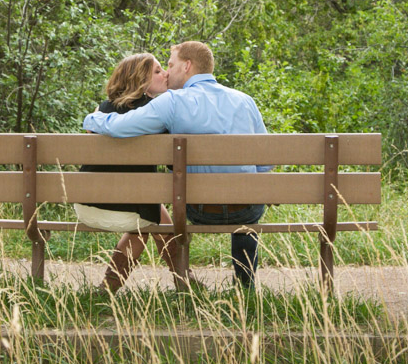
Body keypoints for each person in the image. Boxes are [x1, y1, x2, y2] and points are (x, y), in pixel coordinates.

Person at [84, 41, 271, 288]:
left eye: (170, 65)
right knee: (248, 204)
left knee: (158, 213)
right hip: (245, 209)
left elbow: (118, 126)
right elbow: (267, 164)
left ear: (187, 66)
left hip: (198, 208)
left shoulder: (172, 102)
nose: (168, 72)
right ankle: (244, 288)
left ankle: (121, 288)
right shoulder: (245, 101)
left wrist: (93, 117)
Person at [75, 52, 197, 292]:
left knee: (154, 212)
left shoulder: (102, 110)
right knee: (148, 220)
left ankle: (110, 288)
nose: (166, 74)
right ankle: (183, 282)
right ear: (141, 80)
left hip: (86, 205)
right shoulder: (157, 112)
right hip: (129, 212)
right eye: (158, 71)